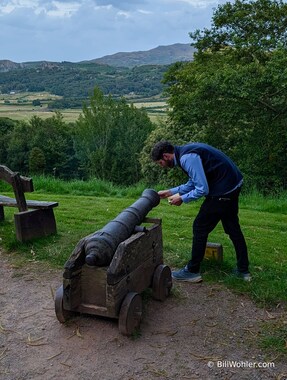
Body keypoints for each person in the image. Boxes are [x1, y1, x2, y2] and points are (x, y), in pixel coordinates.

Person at [151, 141, 251, 282]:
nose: (162, 167)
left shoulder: (187, 158)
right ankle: (243, 271)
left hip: (222, 191)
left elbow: (202, 188)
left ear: (166, 156)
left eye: (160, 163)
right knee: (233, 228)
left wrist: (182, 199)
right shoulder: (187, 152)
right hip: (232, 186)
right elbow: (194, 182)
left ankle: (192, 271)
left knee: (200, 226)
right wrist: (170, 192)